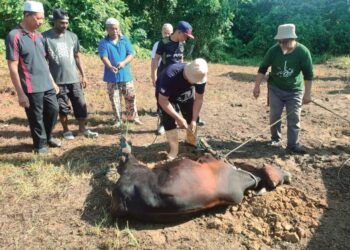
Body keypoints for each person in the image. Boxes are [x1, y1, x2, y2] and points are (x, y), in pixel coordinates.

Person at [6, 1, 61, 154]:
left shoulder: (39, 36)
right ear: (26, 15)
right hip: (30, 85)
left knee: (53, 110)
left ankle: (47, 137)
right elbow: (12, 66)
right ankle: (40, 145)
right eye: (38, 18)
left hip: (46, 83)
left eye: (42, 18)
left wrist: (52, 81)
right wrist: (20, 93)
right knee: (36, 117)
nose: (41, 22)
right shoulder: (14, 36)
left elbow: (44, 61)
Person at [253, 24, 313, 154]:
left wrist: (307, 94)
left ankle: (293, 144)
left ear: (292, 39)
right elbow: (263, 68)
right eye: (279, 42)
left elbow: (308, 75)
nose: (281, 44)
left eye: (284, 42)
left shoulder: (303, 52)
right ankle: (275, 139)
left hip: (295, 90)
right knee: (275, 115)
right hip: (276, 88)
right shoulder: (273, 51)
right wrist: (257, 86)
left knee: (294, 118)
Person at [43, 9, 98, 140]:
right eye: (62, 22)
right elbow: (43, 61)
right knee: (62, 107)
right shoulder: (45, 37)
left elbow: (77, 56)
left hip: (73, 79)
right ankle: (66, 130)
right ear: (54, 21)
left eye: (67, 22)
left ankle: (82, 129)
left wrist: (84, 75)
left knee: (80, 103)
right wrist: (50, 81)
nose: (65, 25)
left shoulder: (72, 36)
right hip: (57, 80)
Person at [156, 58, 208, 160]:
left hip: (185, 93)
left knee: (191, 114)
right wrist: (178, 118)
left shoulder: (200, 76)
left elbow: (199, 99)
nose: (195, 84)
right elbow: (163, 101)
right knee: (168, 120)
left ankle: (191, 143)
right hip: (167, 96)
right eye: (194, 81)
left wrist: (193, 120)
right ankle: (174, 150)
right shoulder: (170, 75)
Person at [98, 17, 142, 128]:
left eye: (116, 28)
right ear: (107, 29)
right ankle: (118, 120)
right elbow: (104, 57)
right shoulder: (104, 42)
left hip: (126, 75)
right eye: (112, 29)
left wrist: (123, 63)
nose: (115, 31)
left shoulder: (125, 40)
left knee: (130, 96)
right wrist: (110, 66)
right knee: (115, 98)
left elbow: (131, 54)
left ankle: (133, 118)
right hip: (111, 76)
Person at [151, 23, 173, 135]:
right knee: (160, 100)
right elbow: (154, 61)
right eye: (165, 32)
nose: (167, 34)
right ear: (161, 32)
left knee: (173, 100)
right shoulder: (157, 44)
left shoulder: (177, 44)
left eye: (169, 33)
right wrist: (153, 75)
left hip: (174, 75)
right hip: (161, 74)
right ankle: (162, 124)